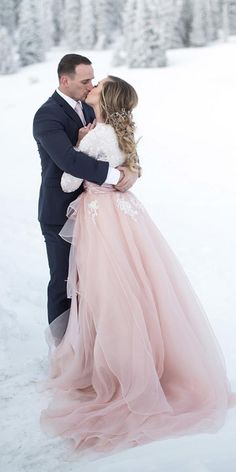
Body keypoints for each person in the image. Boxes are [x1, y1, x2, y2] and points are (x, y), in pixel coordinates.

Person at [41, 76, 235, 455]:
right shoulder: (114, 130)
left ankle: (118, 368)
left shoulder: (95, 135)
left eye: (100, 84)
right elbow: (124, 168)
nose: (92, 85)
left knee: (106, 292)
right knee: (135, 286)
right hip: (125, 216)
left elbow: (67, 183)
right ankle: (145, 359)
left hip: (101, 219)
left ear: (106, 96)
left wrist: (79, 144)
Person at [33, 54, 138, 327]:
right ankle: (61, 347)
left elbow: (119, 140)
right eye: (85, 81)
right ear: (64, 80)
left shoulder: (92, 107)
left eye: (93, 79)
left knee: (96, 281)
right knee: (64, 282)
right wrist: (115, 175)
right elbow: (69, 161)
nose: (91, 86)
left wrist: (134, 170)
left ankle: (88, 343)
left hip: (96, 215)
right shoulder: (47, 116)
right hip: (59, 212)